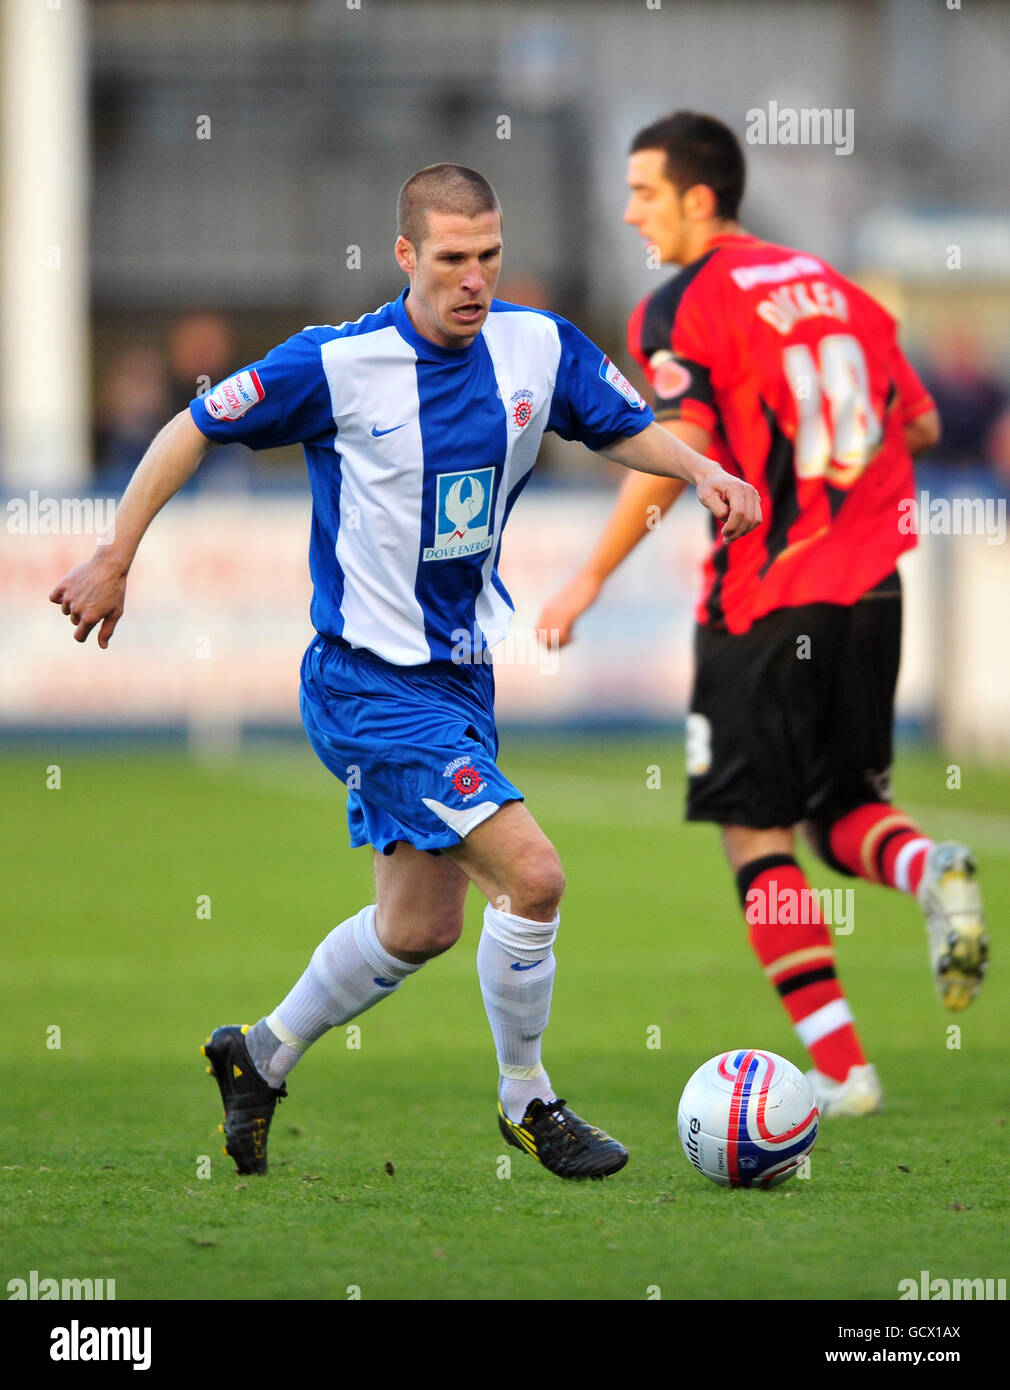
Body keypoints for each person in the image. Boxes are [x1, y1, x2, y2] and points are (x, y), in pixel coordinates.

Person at [50, 163, 760, 1178]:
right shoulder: (336, 364)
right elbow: (188, 429)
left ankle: (258, 1055)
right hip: (366, 684)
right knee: (535, 875)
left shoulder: (536, 345)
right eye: (451, 260)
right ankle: (530, 1101)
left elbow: (621, 422)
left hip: (461, 682)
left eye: (488, 257)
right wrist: (116, 555)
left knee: (418, 925)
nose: (473, 280)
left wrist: (700, 471)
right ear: (404, 257)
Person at [536, 114, 988, 1118]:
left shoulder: (680, 305)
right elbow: (914, 420)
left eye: (643, 193)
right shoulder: (834, 288)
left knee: (754, 833)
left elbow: (674, 458)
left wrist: (587, 581)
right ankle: (927, 866)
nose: (628, 212)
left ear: (699, 198)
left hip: (768, 593)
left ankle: (844, 1072)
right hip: (873, 585)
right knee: (843, 816)